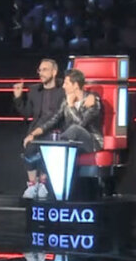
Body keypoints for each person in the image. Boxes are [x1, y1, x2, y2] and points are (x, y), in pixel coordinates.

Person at [13, 58, 64, 198]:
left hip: (55, 128)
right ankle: (32, 185)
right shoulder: (34, 90)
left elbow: (60, 115)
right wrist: (18, 98)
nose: (41, 73)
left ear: (54, 72)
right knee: (29, 149)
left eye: (45, 70)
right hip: (36, 129)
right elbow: (27, 113)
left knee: (48, 151)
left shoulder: (62, 90)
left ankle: (43, 184)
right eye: (40, 70)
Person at [23, 68, 102, 155]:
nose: (63, 86)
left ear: (75, 85)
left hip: (91, 143)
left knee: (74, 129)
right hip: (71, 141)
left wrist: (71, 105)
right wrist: (33, 134)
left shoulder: (92, 101)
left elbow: (81, 124)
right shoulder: (65, 101)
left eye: (66, 83)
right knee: (45, 138)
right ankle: (35, 158)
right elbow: (53, 120)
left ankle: (57, 148)